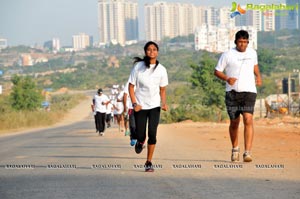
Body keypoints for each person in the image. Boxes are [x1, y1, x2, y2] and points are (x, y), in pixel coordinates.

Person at [214, 30, 262, 162]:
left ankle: (247, 152)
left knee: (248, 119)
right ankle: (235, 148)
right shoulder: (227, 55)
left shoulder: (252, 53)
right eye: (240, 42)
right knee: (234, 122)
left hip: (249, 91)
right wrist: (227, 78)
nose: (243, 44)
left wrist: (258, 76)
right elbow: (217, 71)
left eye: (245, 42)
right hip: (232, 93)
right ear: (235, 42)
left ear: (248, 42)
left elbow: (255, 66)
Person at [128, 41, 168, 172]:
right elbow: (131, 86)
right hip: (140, 106)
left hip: (154, 106)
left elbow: (162, 89)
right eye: (149, 49)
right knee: (140, 134)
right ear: (145, 52)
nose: (152, 51)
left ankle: (148, 162)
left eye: (154, 49)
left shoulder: (162, 69)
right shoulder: (138, 67)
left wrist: (164, 103)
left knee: (152, 133)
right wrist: (134, 104)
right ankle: (140, 141)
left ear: (157, 52)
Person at [123, 81, 136, 145]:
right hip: (132, 108)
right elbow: (125, 95)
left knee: (141, 125)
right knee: (132, 125)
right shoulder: (129, 83)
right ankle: (133, 138)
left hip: (142, 108)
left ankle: (141, 141)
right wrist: (125, 107)